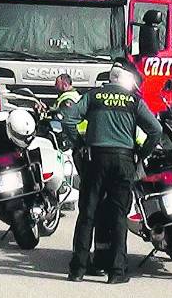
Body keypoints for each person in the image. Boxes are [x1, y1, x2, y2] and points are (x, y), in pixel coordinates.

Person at [63, 58, 162, 284]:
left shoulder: (93, 96)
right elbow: (155, 130)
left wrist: (79, 143)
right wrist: (141, 153)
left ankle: (77, 269)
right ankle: (116, 273)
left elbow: (68, 119)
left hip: (95, 159)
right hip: (124, 161)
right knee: (118, 216)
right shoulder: (133, 100)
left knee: (87, 214)